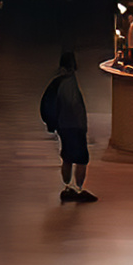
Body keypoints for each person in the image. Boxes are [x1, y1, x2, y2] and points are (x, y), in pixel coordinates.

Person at [41, 52, 97, 202]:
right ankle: (78, 189)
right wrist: (82, 126)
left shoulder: (57, 82)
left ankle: (67, 186)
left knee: (67, 156)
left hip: (63, 126)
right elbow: (74, 107)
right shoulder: (69, 83)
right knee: (82, 159)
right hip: (74, 126)